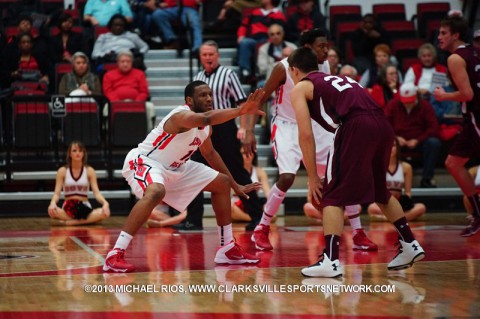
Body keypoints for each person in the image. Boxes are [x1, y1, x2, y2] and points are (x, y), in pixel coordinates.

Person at [289, 47, 425, 277]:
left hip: (355, 126)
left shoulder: (301, 86)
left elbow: (305, 134)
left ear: (294, 70)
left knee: (332, 194)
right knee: (380, 191)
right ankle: (410, 244)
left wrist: (312, 177)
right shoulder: (341, 78)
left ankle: (330, 260)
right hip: (382, 125)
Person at [102, 81, 265, 272]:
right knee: (156, 191)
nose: (209, 98)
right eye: (203, 95)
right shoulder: (180, 115)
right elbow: (205, 118)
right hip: (146, 161)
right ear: (190, 100)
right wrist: (241, 110)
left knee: (222, 183)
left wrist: (234, 184)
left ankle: (227, 247)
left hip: (176, 167)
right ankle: (115, 253)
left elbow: (210, 154)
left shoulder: (205, 129)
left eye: (210, 94)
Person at [249, 29, 377, 252]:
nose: (326, 50)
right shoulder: (283, 67)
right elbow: (260, 97)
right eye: (321, 46)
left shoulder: (324, 65)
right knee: (287, 177)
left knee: (341, 173)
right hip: (287, 124)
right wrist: (248, 130)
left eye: (327, 45)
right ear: (308, 48)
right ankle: (261, 228)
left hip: (315, 123)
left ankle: (357, 232)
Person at [177, 40, 265, 232]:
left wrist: (244, 129)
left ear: (217, 56)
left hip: (224, 127)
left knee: (236, 171)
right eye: (204, 54)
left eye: (211, 54)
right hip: (202, 127)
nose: (208, 57)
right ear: (200, 57)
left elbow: (243, 103)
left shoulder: (228, 74)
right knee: (193, 169)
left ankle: (258, 216)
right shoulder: (198, 76)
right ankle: (193, 220)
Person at [433, 15, 480, 236]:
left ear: (456, 35)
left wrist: (443, 96)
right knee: (453, 162)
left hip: (476, 115)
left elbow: (467, 94)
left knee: (454, 163)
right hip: (471, 118)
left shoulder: (455, 58)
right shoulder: (474, 51)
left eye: (443, 33)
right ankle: (478, 214)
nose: (439, 37)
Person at [385, 82, 441, 188]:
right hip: (397, 142)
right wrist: (395, 138)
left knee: (433, 143)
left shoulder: (425, 106)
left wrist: (418, 140)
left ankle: (427, 179)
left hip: (419, 142)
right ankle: (386, 178)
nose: (407, 104)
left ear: (416, 96)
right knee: (384, 142)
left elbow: (433, 128)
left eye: (410, 101)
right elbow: (384, 125)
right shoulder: (393, 104)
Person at [48, 141, 110, 226]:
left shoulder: (89, 171)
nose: (78, 153)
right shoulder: (62, 171)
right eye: (74, 151)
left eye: (80, 151)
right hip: (68, 207)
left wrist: (105, 203)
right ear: (69, 154)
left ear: (84, 153)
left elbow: (97, 193)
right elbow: (56, 193)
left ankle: (73, 222)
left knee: (105, 212)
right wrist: (52, 203)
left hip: (85, 206)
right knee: (52, 211)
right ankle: (87, 220)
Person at [368, 138, 427, 222]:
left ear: (398, 148)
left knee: (421, 207)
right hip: (384, 204)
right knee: (371, 208)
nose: (390, 148)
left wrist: (405, 202)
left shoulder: (406, 167)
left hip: (399, 204)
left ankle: (386, 219)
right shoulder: (378, 166)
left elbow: (408, 192)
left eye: (393, 146)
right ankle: (401, 219)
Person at [102, 50, 155, 130]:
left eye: (128, 61)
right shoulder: (108, 75)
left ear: (132, 63)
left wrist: (136, 102)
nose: (125, 64)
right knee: (106, 107)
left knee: (150, 107)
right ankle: (109, 134)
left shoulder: (140, 74)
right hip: (115, 102)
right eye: (122, 61)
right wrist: (118, 102)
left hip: (137, 102)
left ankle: (148, 134)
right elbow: (108, 91)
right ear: (118, 63)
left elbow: (144, 91)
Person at [236, 0, 286, 81]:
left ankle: (259, 75)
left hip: (268, 40)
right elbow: (244, 25)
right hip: (253, 39)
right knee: (245, 42)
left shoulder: (278, 15)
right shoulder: (255, 12)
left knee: (263, 46)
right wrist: (241, 35)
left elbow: (278, 32)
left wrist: (272, 39)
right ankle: (245, 71)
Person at [231, 147, 271, 222]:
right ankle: (256, 219)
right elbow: (229, 193)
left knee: (272, 208)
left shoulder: (259, 171)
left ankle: (256, 218)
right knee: (229, 207)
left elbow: (267, 192)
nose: (247, 155)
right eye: (244, 153)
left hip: (254, 203)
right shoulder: (233, 171)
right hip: (238, 205)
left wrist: (270, 203)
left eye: (250, 152)